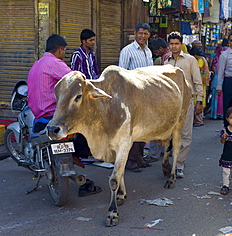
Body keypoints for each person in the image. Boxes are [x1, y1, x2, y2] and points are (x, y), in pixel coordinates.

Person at [27, 34, 101, 197]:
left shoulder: (36, 65)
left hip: (39, 116)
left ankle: (72, 155)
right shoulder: (55, 64)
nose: (64, 53)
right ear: (60, 50)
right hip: (55, 114)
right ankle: (80, 154)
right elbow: (77, 81)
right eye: (64, 51)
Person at [164, 31, 203, 178]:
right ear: (169, 45)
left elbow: (197, 81)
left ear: (181, 44)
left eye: (176, 43)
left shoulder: (190, 60)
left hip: (186, 102)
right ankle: (168, 163)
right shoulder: (166, 62)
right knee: (168, 134)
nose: (174, 46)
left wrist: (199, 100)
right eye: (171, 43)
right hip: (170, 104)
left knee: (185, 135)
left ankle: (179, 165)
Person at [118, 22, 153, 172]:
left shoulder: (148, 51)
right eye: (140, 33)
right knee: (131, 130)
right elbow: (121, 74)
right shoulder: (127, 51)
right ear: (135, 33)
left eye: (145, 34)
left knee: (143, 129)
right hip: (131, 96)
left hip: (145, 97)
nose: (142, 36)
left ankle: (139, 158)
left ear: (148, 35)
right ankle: (130, 161)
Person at [217, 33, 232, 126]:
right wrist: (219, 86)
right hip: (229, 81)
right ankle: (227, 125)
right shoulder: (224, 55)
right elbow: (220, 72)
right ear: (229, 42)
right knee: (227, 103)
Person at [189, 46, 210, 127]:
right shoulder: (202, 59)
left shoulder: (200, 60)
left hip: (199, 83)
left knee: (199, 100)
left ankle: (199, 120)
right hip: (201, 82)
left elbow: (197, 69)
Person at [210, 41, 229, 120]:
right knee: (221, 98)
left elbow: (213, 69)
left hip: (217, 79)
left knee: (216, 98)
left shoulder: (216, 59)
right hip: (223, 79)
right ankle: (221, 114)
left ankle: (215, 114)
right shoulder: (226, 59)